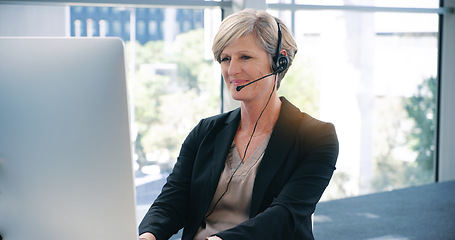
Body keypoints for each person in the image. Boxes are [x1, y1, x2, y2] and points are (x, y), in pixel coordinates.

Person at [138, 8, 339, 240]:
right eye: (225, 59)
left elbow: (285, 215)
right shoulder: (205, 132)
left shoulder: (317, 137)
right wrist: (149, 235)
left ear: (279, 61)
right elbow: (173, 199)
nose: (232, 70)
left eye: (245, 57)